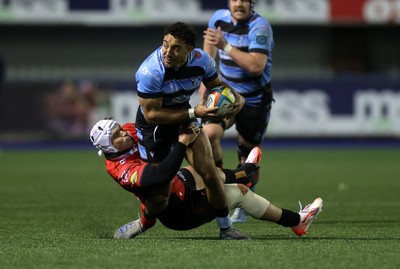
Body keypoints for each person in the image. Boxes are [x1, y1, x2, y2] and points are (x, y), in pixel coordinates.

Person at [89, 119, 323, 239]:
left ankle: (246, 171)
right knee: (239, 192)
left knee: (210, 171)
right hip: (178, 212)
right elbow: (161, 175)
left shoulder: (130, 131)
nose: (124, 133)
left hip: (177, 184)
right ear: (109, 147)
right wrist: (181, 142)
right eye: (117, 136)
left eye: (119, 128)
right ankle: (296, 221)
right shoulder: (120, 169)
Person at [134, 22, 246, 238]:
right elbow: (152, 115)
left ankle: (226, 229)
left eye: (176, 47)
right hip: (154, 130)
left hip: (185, 120)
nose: (168, 52)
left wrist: (236, 96)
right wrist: (196, 113)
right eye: (165, 45)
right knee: (159, 195)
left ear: (189, 50)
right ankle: (144, 223)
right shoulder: (150, 71)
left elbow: (217, 85)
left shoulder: (202, 60)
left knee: (210, 174)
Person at [200, 0, 275, 223]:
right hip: (227, 95)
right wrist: (206, 76)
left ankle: (245, 201)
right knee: (209, 135)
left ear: (252, 3)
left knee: (247, 155)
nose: (239, 3)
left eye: (244, 0)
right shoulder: (218, 18)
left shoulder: (260, 27)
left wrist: (226, 46)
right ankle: (221, 186)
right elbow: (209, 44)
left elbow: (256, 66)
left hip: (254, 100)